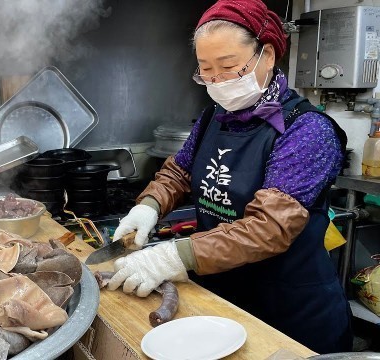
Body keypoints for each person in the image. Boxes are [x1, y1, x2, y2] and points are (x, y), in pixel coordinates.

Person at [108, 0, 352, 353]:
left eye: (228, 66)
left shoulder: (307, 131)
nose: (216, 81)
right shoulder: (214, 117)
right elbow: (180, 171)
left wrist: (174, 257)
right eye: (205, 70)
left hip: (289, 311)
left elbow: (269, 228)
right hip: (223, 295)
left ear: (267, 56)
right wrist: (148, 206)